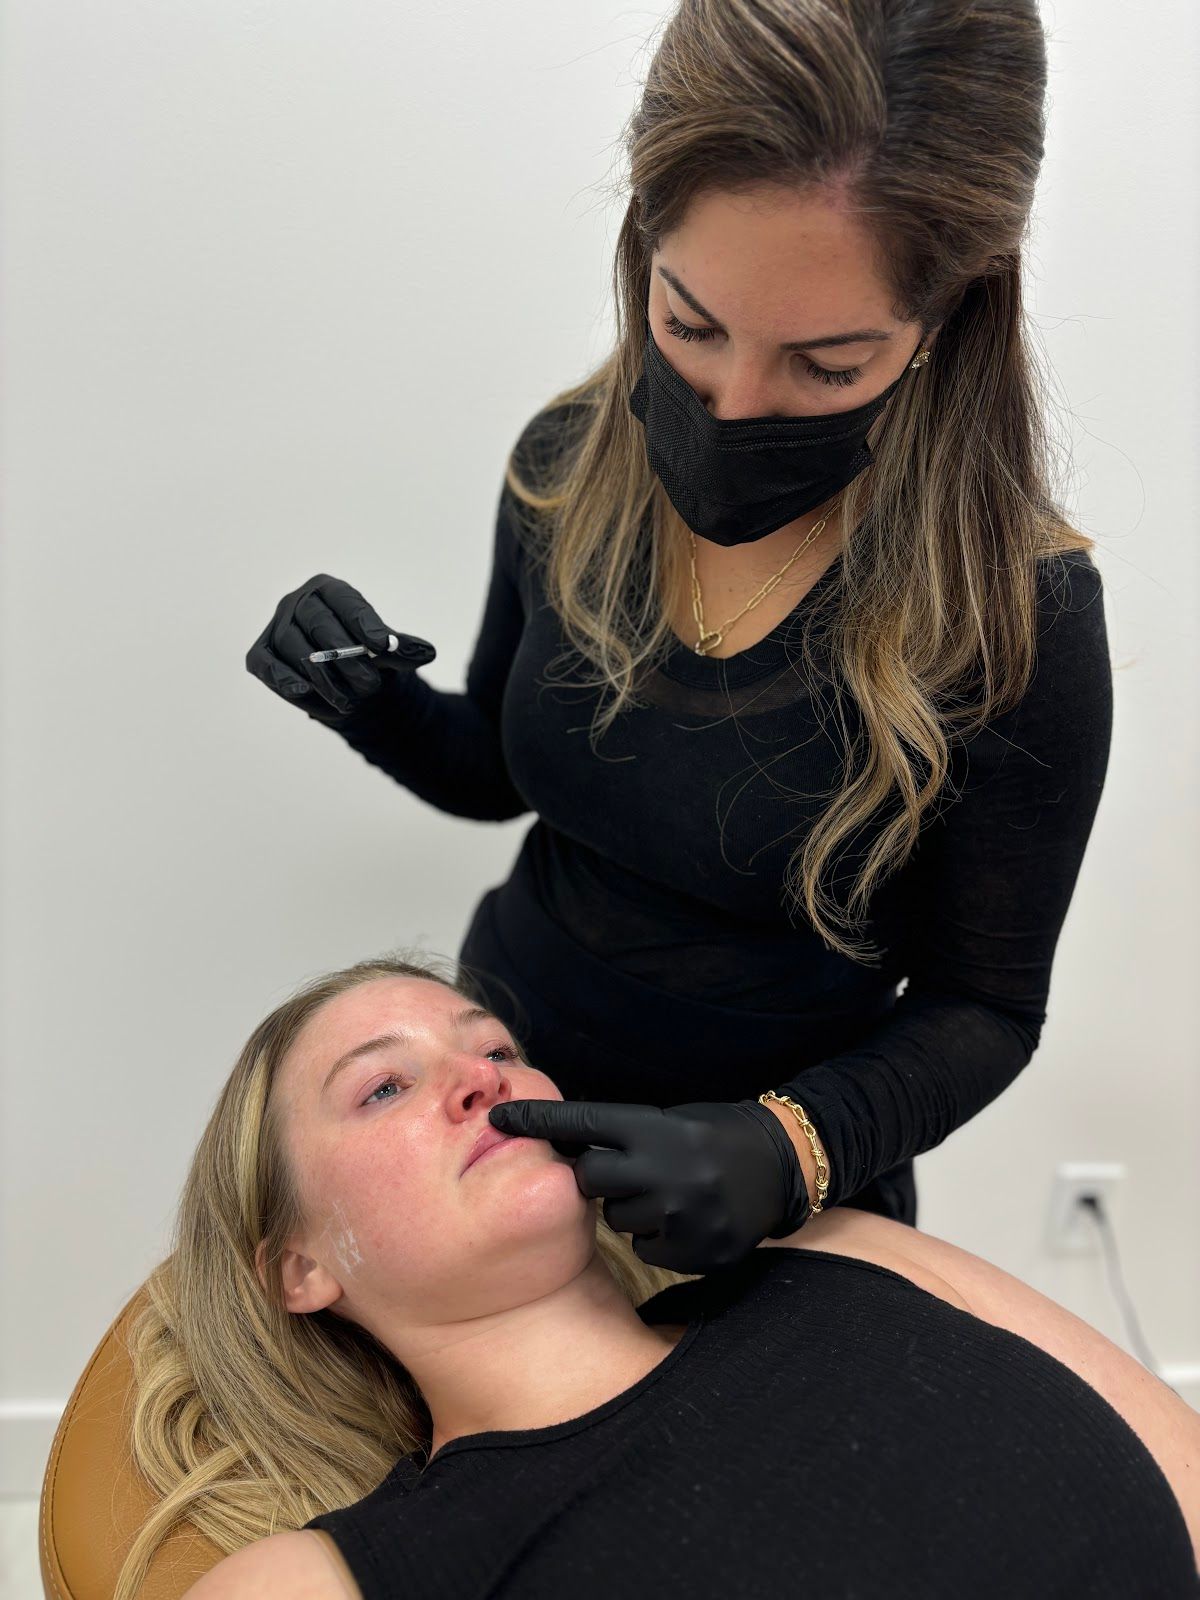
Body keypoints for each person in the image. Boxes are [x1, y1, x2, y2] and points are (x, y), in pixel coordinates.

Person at [245, 0, 1114, 1276]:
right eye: (690, 325)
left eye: (826, 365)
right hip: (503, 1112)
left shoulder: (1011, 613)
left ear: (946, 321)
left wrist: (786, 1148)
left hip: (774, 1207)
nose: (734, 407)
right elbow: (499, 774)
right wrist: (370, 701)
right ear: (642, 240)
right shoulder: (566, 467)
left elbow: (986, 1007)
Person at [106, 956, 1194, 1600]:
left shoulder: (843, 1253)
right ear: (298, 1268)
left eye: (493, 1047)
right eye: (384, 1087)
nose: (479, 1078)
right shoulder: (332, 1576)